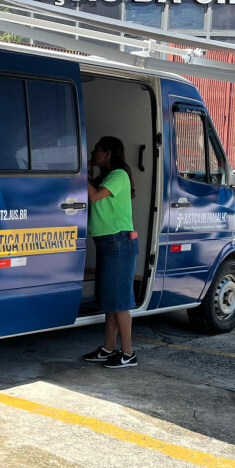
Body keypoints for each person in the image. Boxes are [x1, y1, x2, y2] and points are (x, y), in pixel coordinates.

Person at [82, 136, 139, 369]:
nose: (94, 154)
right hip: (107, 242)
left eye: (97, 150)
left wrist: (80, 175)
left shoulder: (119, 175)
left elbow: (94, 196)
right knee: (110, 300)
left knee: (120, 301)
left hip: (118, 242)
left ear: (107, 154)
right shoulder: (105, 176)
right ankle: (108, 347)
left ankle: (128, 353)